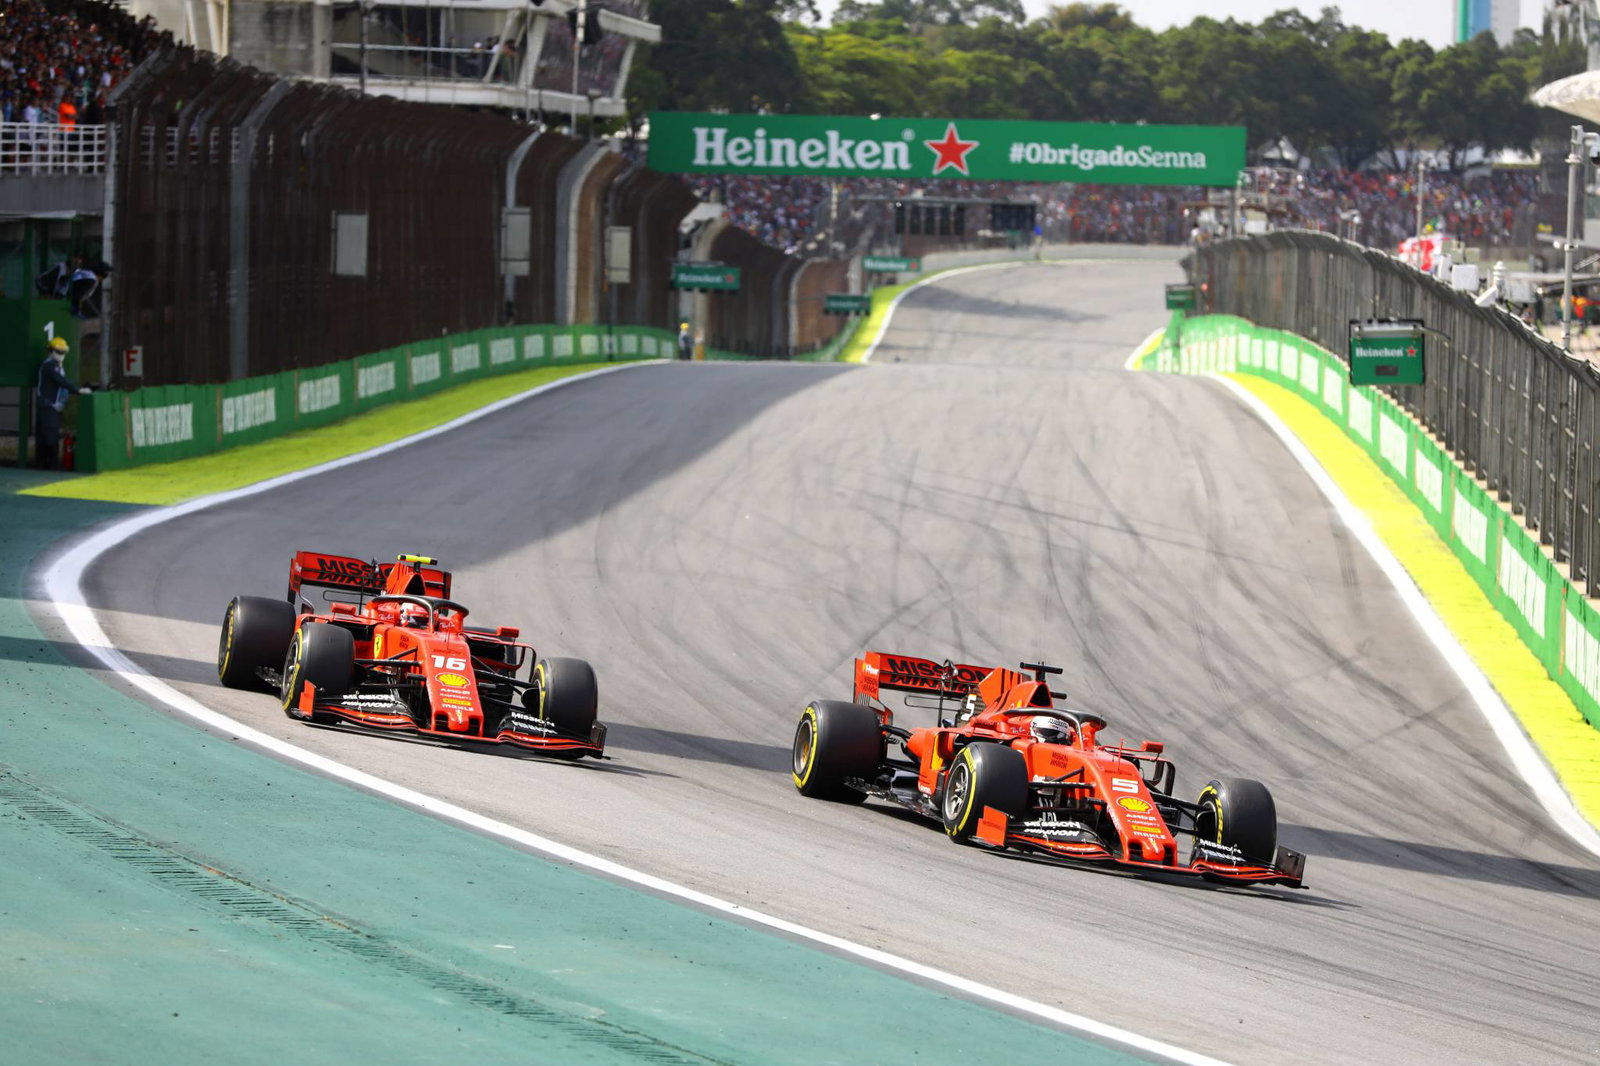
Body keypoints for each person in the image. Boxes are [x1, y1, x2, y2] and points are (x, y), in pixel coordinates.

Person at [33, 336, 91, 470]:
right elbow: (61, 381)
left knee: (46, 435)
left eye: (63, 352)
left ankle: (42, 464)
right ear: (51, 351)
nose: (61, 355)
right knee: (50, 435)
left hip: (50, 405)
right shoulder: (50, 366)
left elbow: (62, 383)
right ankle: (51, 464)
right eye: (58, 352)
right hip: (48, 405)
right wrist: (78, 390)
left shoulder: (55, 366)